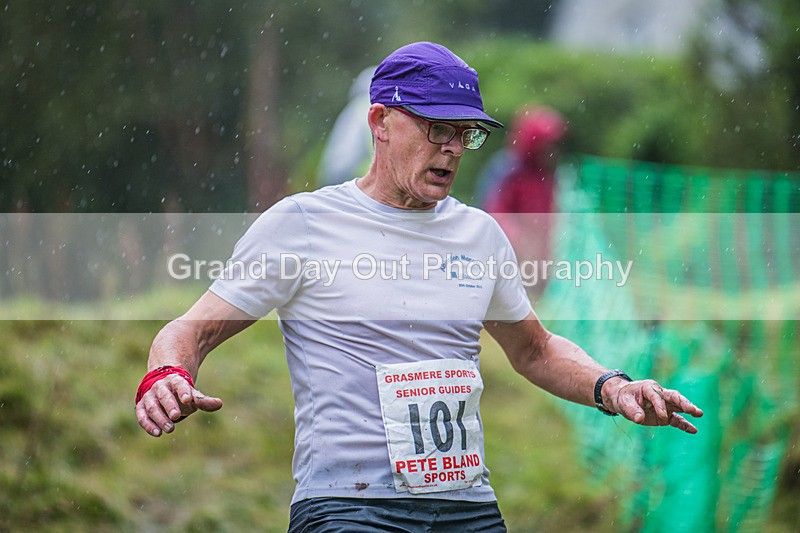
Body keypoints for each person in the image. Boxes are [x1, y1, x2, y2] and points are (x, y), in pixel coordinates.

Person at [135, 42, 703, 532]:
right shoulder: (303, 224)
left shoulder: (479, 235)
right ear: (380, 122)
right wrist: (168, 372)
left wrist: (612, 387)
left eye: (466, 133)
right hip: (348, 506)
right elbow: (193, 329)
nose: (452, 148)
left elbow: (535, 349)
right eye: (437, 129)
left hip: (466, 504)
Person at [483, 106, 568, 297]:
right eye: (547, 143)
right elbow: (495, 211)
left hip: (538, 260)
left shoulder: (547, 172)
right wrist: (517, 241)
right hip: (510, 256)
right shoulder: (507, 169)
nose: (551, 150)